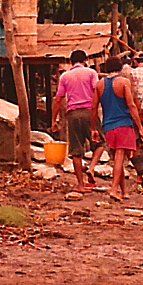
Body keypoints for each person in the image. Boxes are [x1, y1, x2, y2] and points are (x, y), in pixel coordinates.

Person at [91, 56, 143, 202]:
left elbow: (94, 108)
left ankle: (124, 191)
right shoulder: (124, 82)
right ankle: (114, 189)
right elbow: (131, 106)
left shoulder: (99, 84)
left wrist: (93, 128)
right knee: (120, 156)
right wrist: (140, 127)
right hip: (123, 124)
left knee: (117, 158)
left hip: (108, 126)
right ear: (121, 68)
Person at [51, 49, 98, 192]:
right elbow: (97, 91)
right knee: (100, 143)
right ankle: (91, 168)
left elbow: (58, 99)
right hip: (89, 112)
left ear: (71, 62)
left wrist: (54, 119)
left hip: (73, 114)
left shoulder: (65, 76)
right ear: (85, 61)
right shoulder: (91, 73)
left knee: (76, 151)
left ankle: (80, 185)